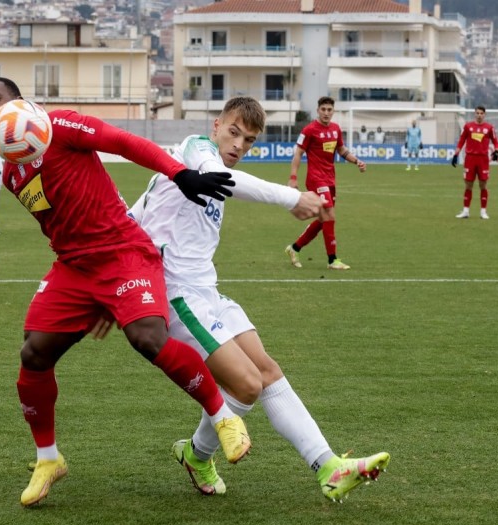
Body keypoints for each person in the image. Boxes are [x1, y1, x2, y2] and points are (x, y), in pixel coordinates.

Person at [0, 76, 251, 507]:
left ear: (21, 102)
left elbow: (122, 142)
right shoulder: (12, 170)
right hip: (75, 266)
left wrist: (180, 174)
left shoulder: (60, 125)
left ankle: (222, 415)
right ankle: (49, 459)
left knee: (148, 338)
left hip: (124, 252)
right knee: (33, 354)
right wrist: (97, 299)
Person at [129, 96, 390, 502]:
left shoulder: (205, 167)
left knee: (267, 372)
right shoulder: (196, 149)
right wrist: (293, 197)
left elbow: (138, 214)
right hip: (179, 297)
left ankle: (328, 466)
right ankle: (198, 456)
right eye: (233, 133)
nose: (238, 145)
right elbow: (219, 179)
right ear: (216, 126)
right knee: (246, 386)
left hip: (208, 292)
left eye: (248, 141)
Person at [284, 96, 366, 271]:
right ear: (318, 110)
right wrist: (293, 177)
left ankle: (294, 248)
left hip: (330, 179)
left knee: (324, 220)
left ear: (333, 111)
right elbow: (298, 153)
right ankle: (332, 260)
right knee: (330, 214)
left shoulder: (336, 129)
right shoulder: (309, 130)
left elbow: (341, 150)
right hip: (316, 179)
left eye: (329, 110)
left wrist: (356, 160)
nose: (326, 113)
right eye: (323, 109)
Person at [451, 106, 498, 220]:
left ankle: (483, 212)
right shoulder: (468, 126)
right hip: (470, 159)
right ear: (474, 114)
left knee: (483, 185)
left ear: (484, 114)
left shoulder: (489, 128)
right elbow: (461, 141)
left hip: (483, 159)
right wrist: (456, 154)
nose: (479, 115)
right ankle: (466, 211)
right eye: (477, 113)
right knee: (468, 185)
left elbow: (496, 141)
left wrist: (497, 151)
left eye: (481, 113)